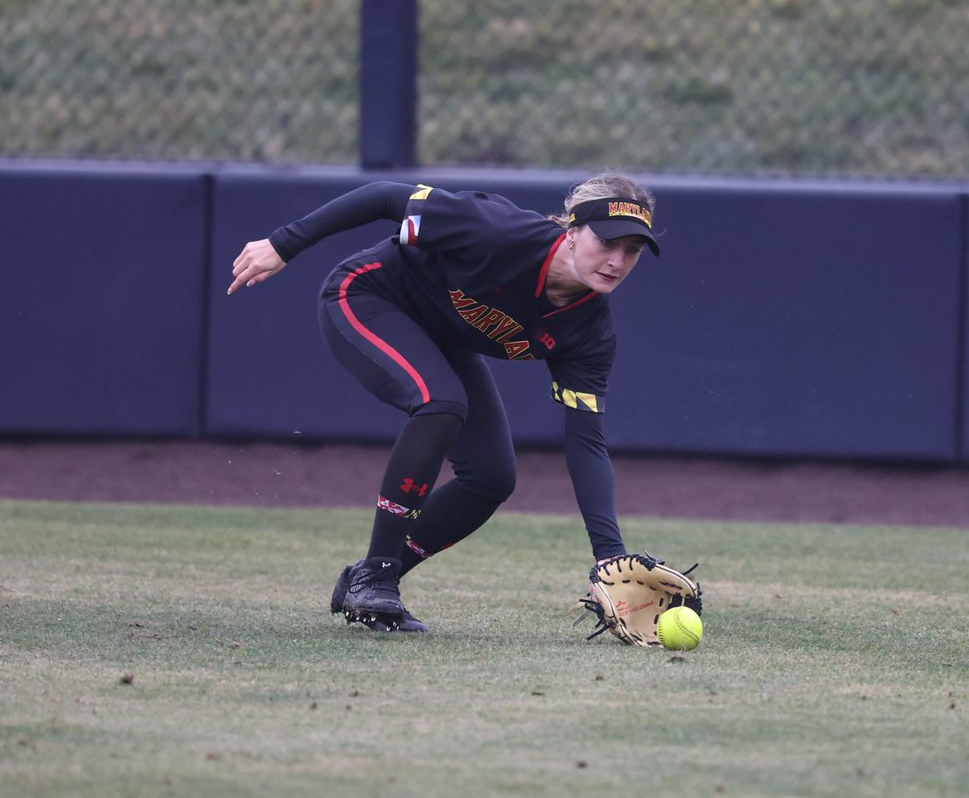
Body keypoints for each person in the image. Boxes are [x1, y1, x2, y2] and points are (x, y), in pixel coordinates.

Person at [228, 173, 661, 633]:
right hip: (367, 294)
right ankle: (377, 573)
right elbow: (382, 197)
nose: (616, 260)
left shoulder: (590, 332)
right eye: (606, 241)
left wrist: (609, 556)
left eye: (631, 250)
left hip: (442, 336)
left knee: (491, 477)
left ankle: (370, 579)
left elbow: (586, 443)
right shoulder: (498, 229)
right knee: (441, 403)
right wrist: (283, 244)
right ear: (572, 232)